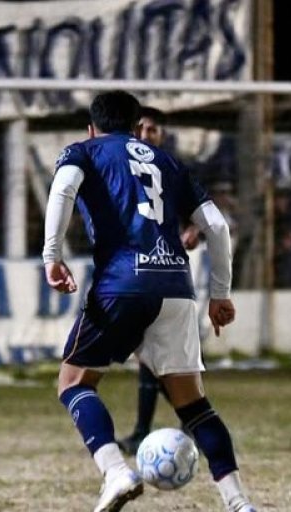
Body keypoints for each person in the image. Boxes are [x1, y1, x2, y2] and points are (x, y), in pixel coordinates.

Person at [42, 90, 260, 512]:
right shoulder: (167, 162)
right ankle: (240, 508)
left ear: (91, 127)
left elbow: (63, 188)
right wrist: (219, 293)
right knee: (194, 405)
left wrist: (52, 256)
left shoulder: (83, 151)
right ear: (136, 122)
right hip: (177, 287)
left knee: (73, 383)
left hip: (123, 284)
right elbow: (216, 226)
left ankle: (115, 473)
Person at [117, 105, 201, 456]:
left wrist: (194, 231)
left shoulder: (173, 171)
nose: (146, 135)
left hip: (167, 274)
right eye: (140, 128)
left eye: (152, 130)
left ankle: (169, 425)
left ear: (161, 136)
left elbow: (201, 213)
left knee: (153, 353)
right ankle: (192, 421)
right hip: (134, 272)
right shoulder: (120, 170)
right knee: (148, 355)